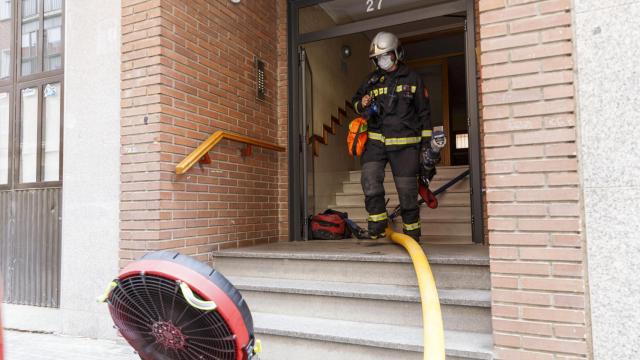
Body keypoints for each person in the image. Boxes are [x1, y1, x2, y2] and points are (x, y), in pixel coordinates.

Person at [351, 31, 437, 241]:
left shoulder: (413, 78)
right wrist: (360, 104)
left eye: (385, 55)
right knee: (369, 179)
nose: (382, 60)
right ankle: (377, 223)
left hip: (406, 145)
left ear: (396, 53)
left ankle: (412, 232)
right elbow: (355, 102)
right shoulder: (371, 80)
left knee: (407, 192)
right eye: (378, 58)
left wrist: (427, 147)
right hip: (376, 142)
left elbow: (424, 115)